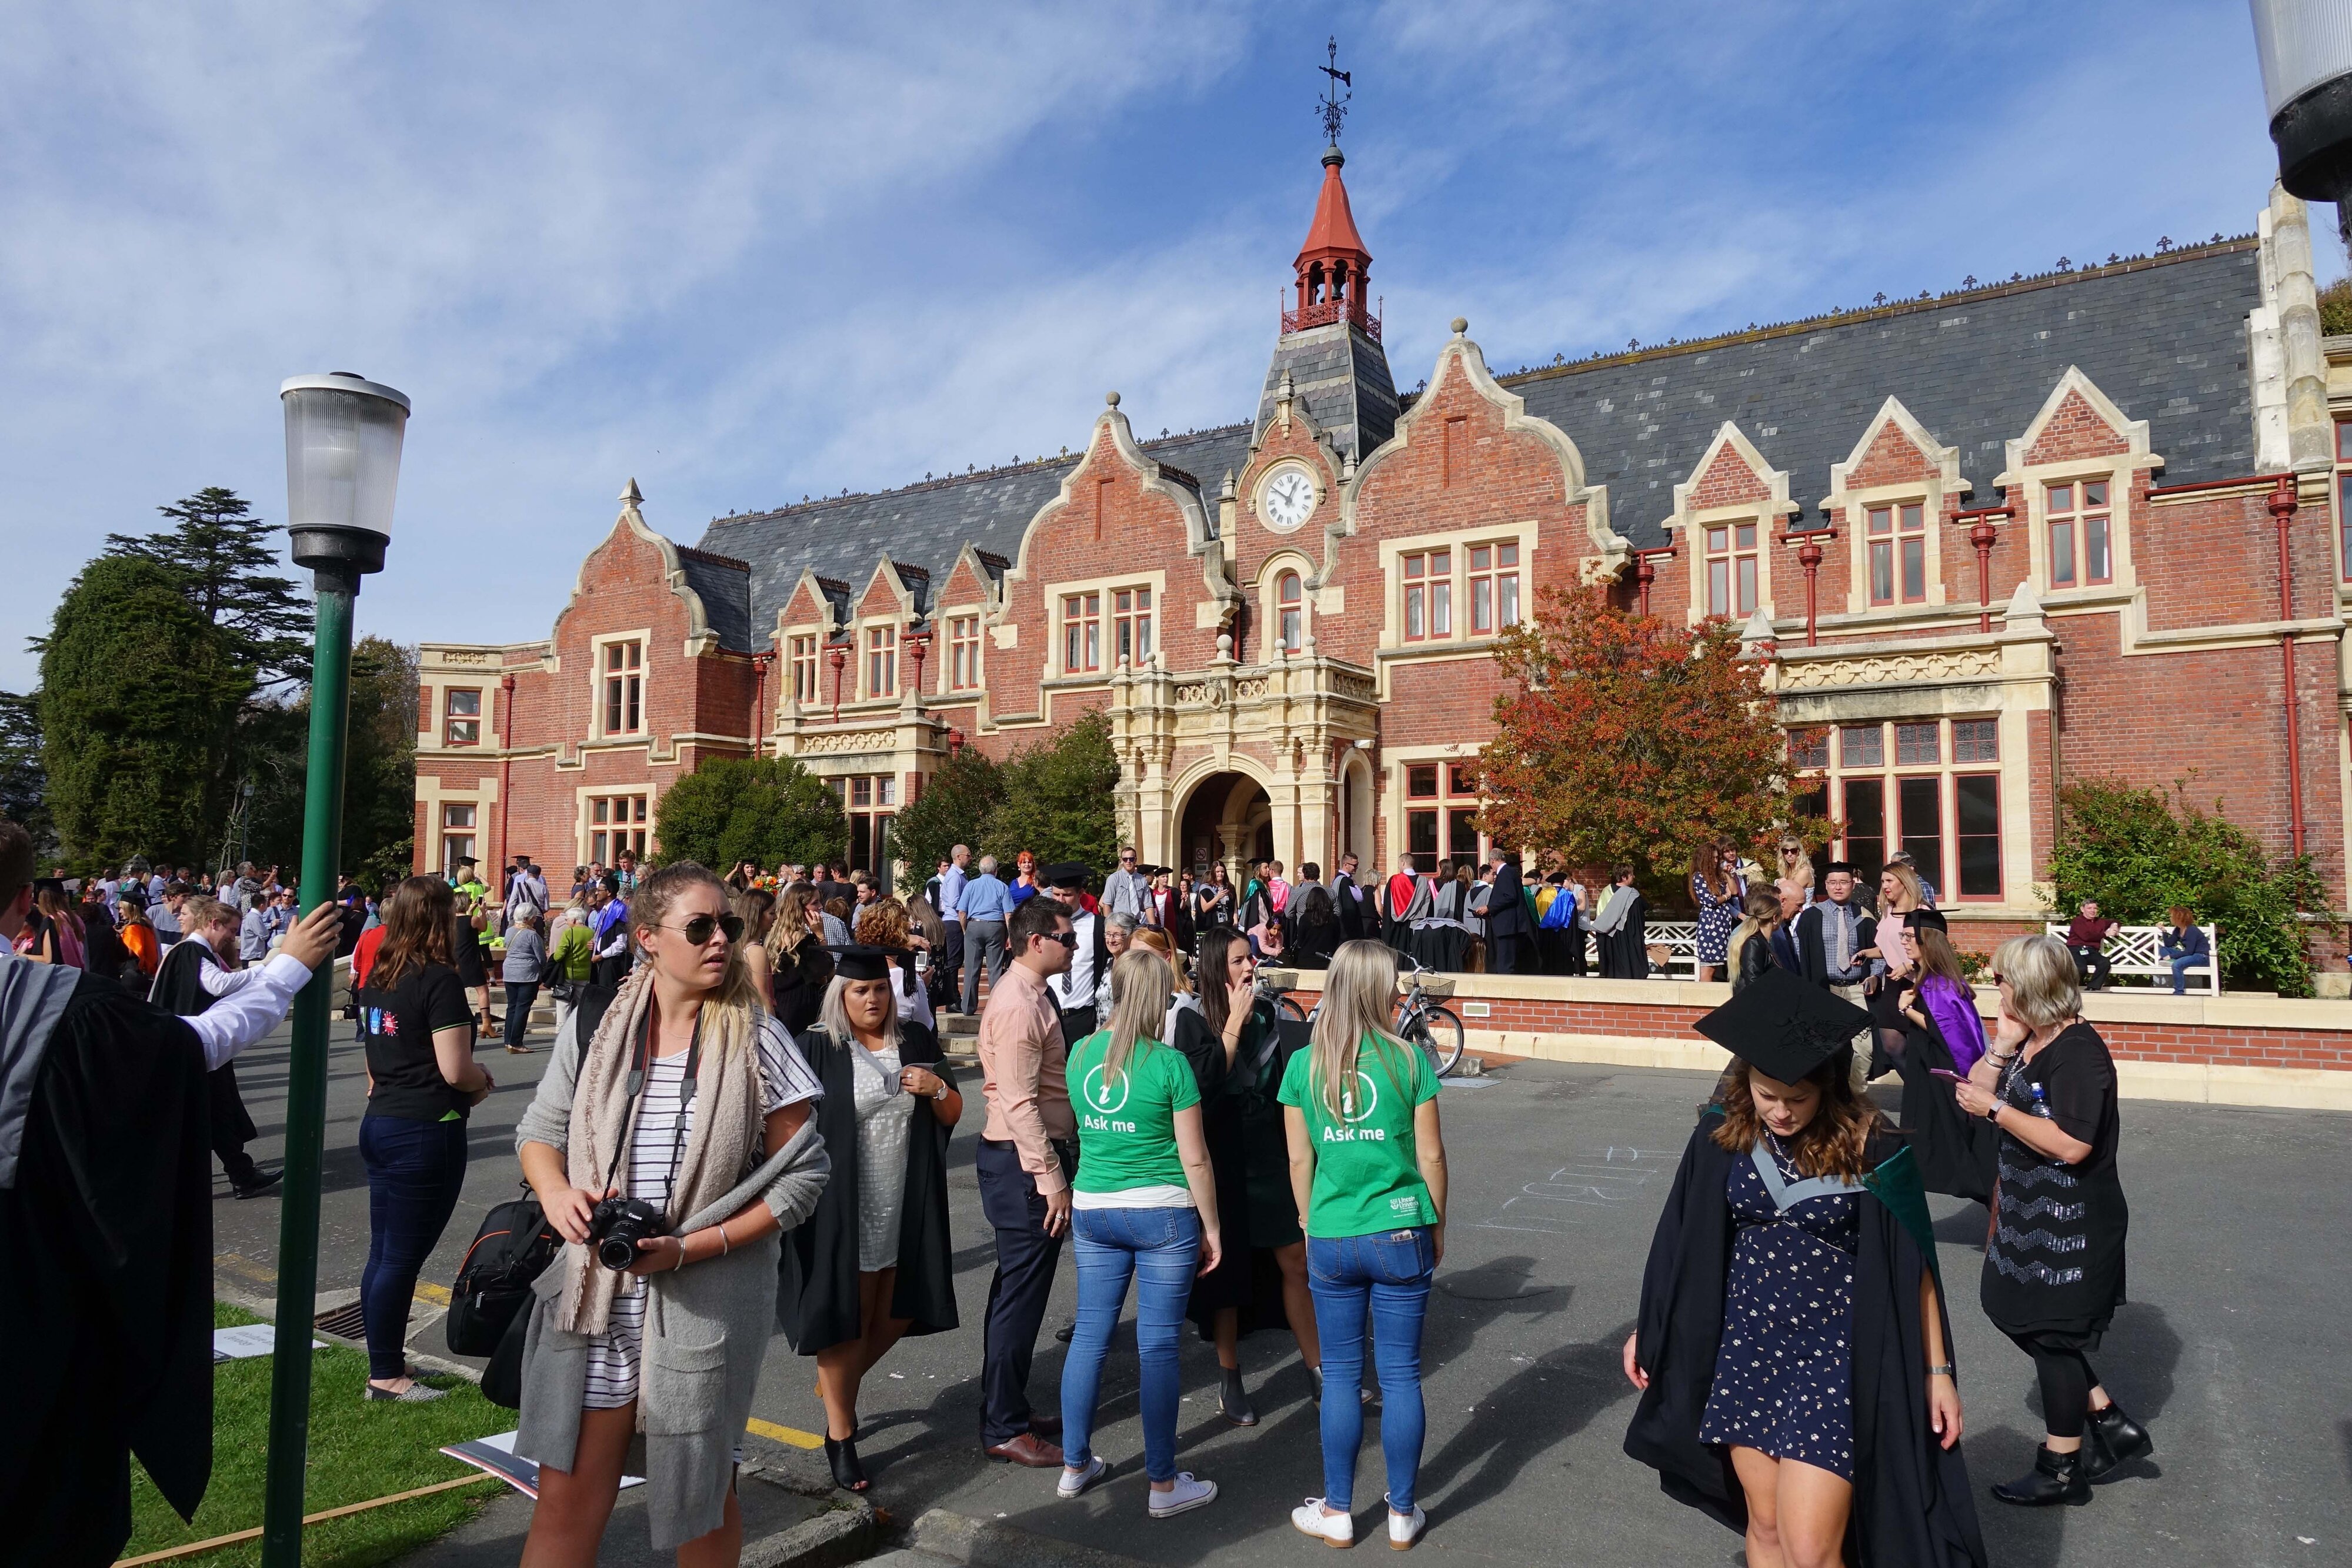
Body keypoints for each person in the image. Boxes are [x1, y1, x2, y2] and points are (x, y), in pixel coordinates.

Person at [0, 823, 343, 1567]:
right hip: (26, 1312)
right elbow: (195, 1045)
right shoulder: (62, 1008)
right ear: (26, 901)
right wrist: (287, 968)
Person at [513, 863, 829, 1564]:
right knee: (566, 1497)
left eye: (729, 925)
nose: (720, 939)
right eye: (700, 926)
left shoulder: (757, 1036)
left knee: (700, 1502)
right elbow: (539, 1132)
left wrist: (688, 1247)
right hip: (595, 1297)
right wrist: (557, 1193)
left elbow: (803, 1177)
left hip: (703, 1303)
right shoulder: (598, 1022)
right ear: (648, 937)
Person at [1623, 968, 1984, 1568]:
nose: (1781, 1112)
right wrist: (1652, 1324)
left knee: (1812, 1549)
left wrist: (1938, 1371)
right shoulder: (1723, 1133)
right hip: (1747, 1347)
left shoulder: (1874, 1148)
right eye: (1766, 1095)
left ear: (1830, 1087)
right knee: (1765, 1527)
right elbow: (1682, 1238)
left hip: (1835, 1356)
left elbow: (1914, 1267)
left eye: (1797, 1098)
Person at [1952, 935, 2148, 1505]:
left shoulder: (2080, 1052)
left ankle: (2061, 1468)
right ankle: (2109, 1421)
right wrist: (2000, 1045)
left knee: (2053, 1337)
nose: (1993, 987)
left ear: (2031, 986)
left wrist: (1996, 1109)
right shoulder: (2032, 1039)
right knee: (2007, 1307)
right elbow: (1974, 1091)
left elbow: (2071, 1144)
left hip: (2072, 1224)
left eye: (2001, 979)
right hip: (2024, 1215)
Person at [1280, 940, 1450, 1551]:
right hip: (1401, 1226)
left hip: (1332, 1231)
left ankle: (1337, 1510)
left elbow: (1299, 1158)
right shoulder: (1407, 1059)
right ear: (1378, 988)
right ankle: (1402, 1512)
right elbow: (1431, 1156)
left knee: (1343, 1376)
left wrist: (1307, 1219)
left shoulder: (1303, 1064)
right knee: (1401, 1375)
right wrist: (1437, 1224)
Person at [779, 946, 960, 1493]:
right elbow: (788, 1126)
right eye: (860, 990)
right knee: (849, 1313)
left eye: (880, 988)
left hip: (904, 1194)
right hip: (842, 1201)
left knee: (899, 1309)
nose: (873, 999)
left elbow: (951, 1112)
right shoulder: (816, 1046)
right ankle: (841, 1434)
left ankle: (838, 1380)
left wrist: (937, 1089)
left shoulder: (916, 1040)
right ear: (841, 995)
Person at [1051, 947, 1225, 1516]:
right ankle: (1163, 1484)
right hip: (1162, 1212)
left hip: (1095, 1205)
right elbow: (1195, 1158)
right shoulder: (1170, 1064)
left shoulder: (1081, 1052)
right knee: (1158, 1346)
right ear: (1160, 998)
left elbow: (1077, 1126)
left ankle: (1074, 1465)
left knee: (1090, 1337)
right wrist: (1212, 1226)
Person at [351, 878, 497, 1400]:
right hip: (425, 1128)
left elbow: (373, 1062)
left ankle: (387, 1363)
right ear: (437, 919)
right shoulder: (438, 981)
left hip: (382, 1120)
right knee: (399, 1259)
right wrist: (482, 1081)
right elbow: (455, 1069)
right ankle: (386, 1376)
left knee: (384, 1253)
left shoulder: (378, 976)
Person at [1172, 927, 1317, 1424]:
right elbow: (1203, 1087)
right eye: (1238, 960)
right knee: (1227, 1274)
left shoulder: (1269, 1015)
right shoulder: (1191, 1019)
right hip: (1221, 1158)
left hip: (1268, 1154)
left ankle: (1318, 1370)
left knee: (1295, 1261)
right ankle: (1229, 1376)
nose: (1250, 966)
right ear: (1217, 967)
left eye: (1250, 958)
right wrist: (1233, 1022)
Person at [973, 895, 1079, 1467]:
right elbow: (1018, 1101)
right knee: (1019, 1298)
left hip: (1021, 1159)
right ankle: (1004, 1424)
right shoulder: (1018, 1003)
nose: (1075, 946)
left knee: (1016, 1293)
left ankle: (1006, 1406)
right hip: (1022, 1163)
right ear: (1036, 941)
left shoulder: (1032, 993)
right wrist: (1051, 1175)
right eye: (1067, 938)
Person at [149, 895, 288, 1200]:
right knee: (216, 1111)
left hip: (187, 1044)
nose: (232, 938)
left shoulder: (184, 951)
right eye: (231, 930)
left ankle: (241, 1174)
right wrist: (265, 969)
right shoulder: (193, 951)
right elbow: (219, 985)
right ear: (214, 924)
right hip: (199, 1046)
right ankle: (240, 1175)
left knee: (211, 1113)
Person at [1045, 865, 1110, 1044]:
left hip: (1083, 1016)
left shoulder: (1099, 926)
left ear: (1081, 893)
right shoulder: (1043, 925)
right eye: (1056, 894)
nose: (1061, 901)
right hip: (1049, 1014)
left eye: (1067, 895)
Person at [855, 897, 938, 1034]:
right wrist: (921, 985)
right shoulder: (910, 983)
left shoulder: (852, 975)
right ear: (902, 936)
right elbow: (925, 1025)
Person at [765, 883, 838, 1035]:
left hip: (782, 1004)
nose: (820, 906)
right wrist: (820, 935)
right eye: (815, 903)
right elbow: (827, 970)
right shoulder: (801, 939)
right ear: (800, 908)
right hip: (800, 1009)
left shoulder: (776, 934)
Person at [958, 855, 1015, 1014]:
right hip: (996, 926)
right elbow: (1008, 914)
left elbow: (962, 912)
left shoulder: (971, 885)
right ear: (995, 870)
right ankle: (995, 1007)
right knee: (995, 969)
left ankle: (968, 1007)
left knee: (971, 969)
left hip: (974, 924)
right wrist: (1011, 935)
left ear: (980, 870)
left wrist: (965, 930)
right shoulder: (1002, 886)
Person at [501, 903, 547, 1054]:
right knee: (522, 1008)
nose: (535, 919)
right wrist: (544, 972)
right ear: (527, 918)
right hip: (527, 974)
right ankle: (516, 1043)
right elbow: (541, 957)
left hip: (509, 971)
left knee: (512, 1006)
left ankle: (508, 1040)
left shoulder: (509, 931)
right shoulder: (532, 935)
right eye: (533, 917)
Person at [1691, 844, 1740, 983]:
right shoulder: (1699, 877)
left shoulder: (1718, 876)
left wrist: (1729, 875)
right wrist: (1726, 896)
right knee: (1708, 968)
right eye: (1712, 858)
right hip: (1711, 928)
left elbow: (1734, 891)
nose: (1716, 861)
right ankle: (1702, 996)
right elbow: (1710, 901)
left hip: (1723, 927)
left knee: (1718, 967)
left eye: (1717, 858)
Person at [1592, 865, 1649, 979]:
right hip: (1629, 939)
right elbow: (1640, 918)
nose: (1634, 877)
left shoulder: (1606, 892)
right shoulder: (1633, 895)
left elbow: (1602, 916)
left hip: (1610, 938)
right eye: (1631, 874)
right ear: (1624, 877)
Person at [1724, 888, 1784, 994]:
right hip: (1754, 1002)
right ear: (1775, 918)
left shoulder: (1762, 941)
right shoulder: (1754, 943)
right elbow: (1754, 983)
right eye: (1781, 914)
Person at [1486, 855, 1533, 975]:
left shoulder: (1505, 873)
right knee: (1507, 962)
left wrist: (1489, 908)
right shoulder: (1510, 872)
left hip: (1507, 925)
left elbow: (1510, 896)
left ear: (1493, 861)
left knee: (1505, 965)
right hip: (1508, 925)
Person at [2063, 900, 2119, 992]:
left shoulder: (2100, 922)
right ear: (2082, 909)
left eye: (2095, 908)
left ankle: (2093, 988)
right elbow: (2086, 937)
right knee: (2081, 968)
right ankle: (2072, 988)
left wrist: (2115, 925)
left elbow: (2115, 921)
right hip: (2075, 949)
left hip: (2091, 951)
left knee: (2104, 962)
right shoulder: (2077, 921)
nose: (2093, 911)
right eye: (2089, 908)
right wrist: (2105, 934)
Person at [590, 873, 631, 988]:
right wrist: (594, 943)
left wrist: (601, 956)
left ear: (609, 892)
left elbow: (621, 944)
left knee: (608, 994)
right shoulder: (604, 910)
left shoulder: (620, 911)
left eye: (599, 890)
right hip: (601, 961)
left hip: (613, 963)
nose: (597, 893)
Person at [1288, 882, 1342, 969]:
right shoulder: (1334, 919)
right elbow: (1336, 940)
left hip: (1306, 960)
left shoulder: (1305, 918)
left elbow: (1300, 942)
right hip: (1327, 961)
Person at [2158, 906, 2208, 994]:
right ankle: (2173, 961)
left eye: (2172, 916)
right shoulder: (2178, 929)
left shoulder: (2192, 930)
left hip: (2202, 956)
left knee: (2177, 965)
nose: (2170, 918)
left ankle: (2178, 992)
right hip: (2191, 955)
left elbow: (2189, 952)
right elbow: (2169, 944)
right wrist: (2164, 931)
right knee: (2163, 949)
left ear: (2179, 917)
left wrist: (2170, 956)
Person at [1102, 846, 1151, 925]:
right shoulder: (1114, 879)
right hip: (1119, 923)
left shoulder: (1143, 880)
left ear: (1135, 860)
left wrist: (1153, 926)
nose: (1128, 861)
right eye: (1125, 859)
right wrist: (1108, 926)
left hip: (1136, 922)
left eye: (1131, 859)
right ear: (1122, 860)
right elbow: (1107, 904)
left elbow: (1148, 906)